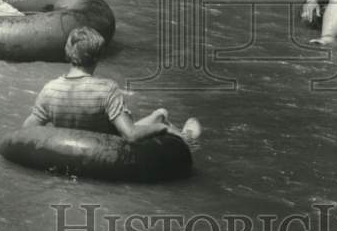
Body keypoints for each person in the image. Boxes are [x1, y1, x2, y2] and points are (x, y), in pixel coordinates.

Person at [22, 27, 202, 144]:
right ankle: (184, 138)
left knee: (159, 115)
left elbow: (26, 131)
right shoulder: (107, 90)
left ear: (67, 53)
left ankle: (164, 121)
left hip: (69, 149)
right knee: (161, 116)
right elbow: (130, 135)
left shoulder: (50, 90)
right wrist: (163, 129)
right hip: (109, 148)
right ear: (98, 57)